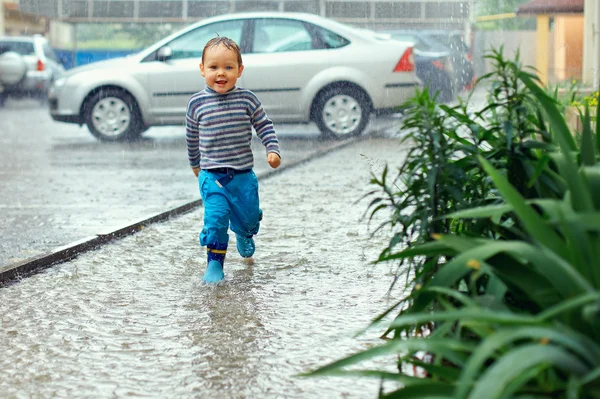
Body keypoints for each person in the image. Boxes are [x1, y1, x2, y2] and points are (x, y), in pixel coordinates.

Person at [186, 36, 281, 284]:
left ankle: (245, 232)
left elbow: (264, 125)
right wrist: (195, 164)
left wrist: (273, 149)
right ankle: (215, 263)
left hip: (242, 177)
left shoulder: (247, 100)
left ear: (239, 70)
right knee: (215, 219)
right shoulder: (196, 104)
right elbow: (191, 137)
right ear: (202, 69)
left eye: (228, 67)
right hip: (212, 176)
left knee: (248, 218)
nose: (221, 73)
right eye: (213, 67)